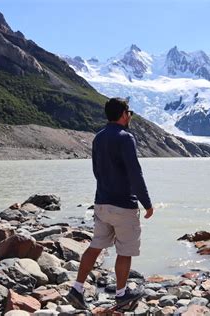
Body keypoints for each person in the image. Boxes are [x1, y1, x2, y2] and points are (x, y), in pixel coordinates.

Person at [66, 97, 154, 310]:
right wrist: (147, 202)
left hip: (102, 202)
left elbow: (96, 170)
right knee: (125, 251)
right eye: (129, 112)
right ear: (124, 114)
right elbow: (135, 173)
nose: (130, 116)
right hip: (123, 205)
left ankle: (77, 288)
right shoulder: (126, 138)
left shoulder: (98, 137)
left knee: (96, 245)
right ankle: (122, 295)